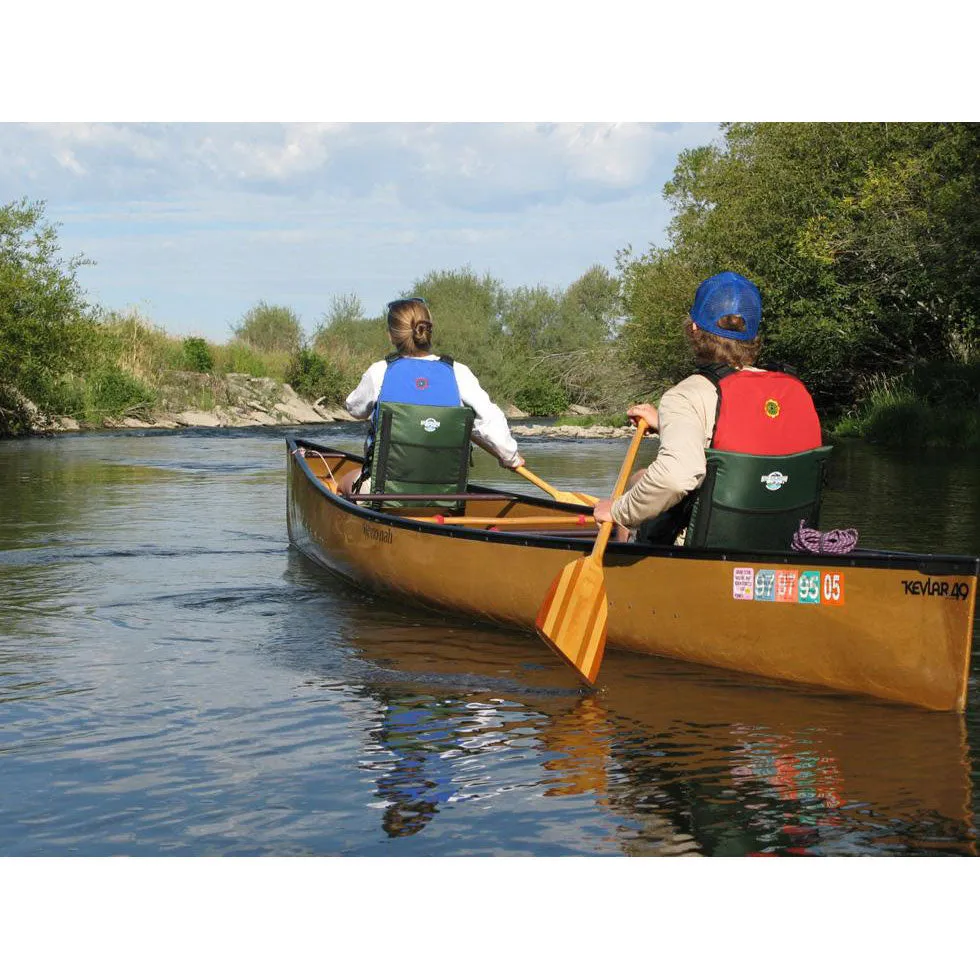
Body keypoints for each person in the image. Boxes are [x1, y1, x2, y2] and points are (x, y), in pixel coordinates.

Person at [594, 271, 826, 548]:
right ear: (752, 335)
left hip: (710, 547)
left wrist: (619, 510)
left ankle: (623, 567)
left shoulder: (686, 396)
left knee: (638, 481)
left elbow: (675, 478)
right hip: (787, 543)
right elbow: (750, 436)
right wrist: (665, 423)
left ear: (694, 328)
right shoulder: (792, 391)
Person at [338, 297, 524, 498]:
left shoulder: (379, 371)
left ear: (391, 336)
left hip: (383, 495)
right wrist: (510, 457)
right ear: (428, 331)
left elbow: (354, 409)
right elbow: (490, 419)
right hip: (448, 494)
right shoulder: (459, 372)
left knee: (340, 485)